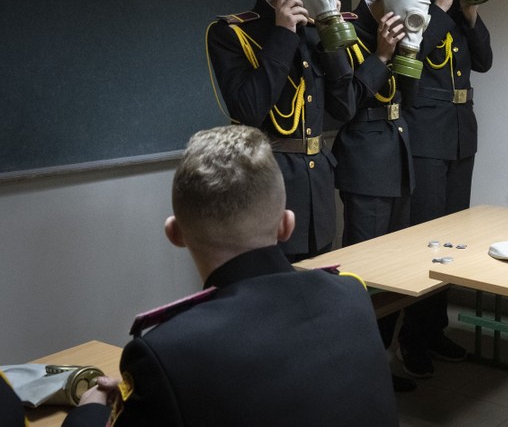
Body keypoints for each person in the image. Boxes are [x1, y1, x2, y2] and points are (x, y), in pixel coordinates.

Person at [62, 125, 398, 427]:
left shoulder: (168, 352)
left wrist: (91, 410)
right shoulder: (352, 295)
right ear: (286, 225)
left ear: (175, 234)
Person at [206, 0, 355, 262]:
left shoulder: (317, 32)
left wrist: (333, 36)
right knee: (273, 291)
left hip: (317, 184)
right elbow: (248, 109)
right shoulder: (234, 32)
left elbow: (345, 108)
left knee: (317, 286)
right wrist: (283, 34)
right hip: (268, 182)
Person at [397, 0, 493, 378]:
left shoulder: (460, 4)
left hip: (459, 134)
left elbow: (485, 61)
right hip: (426, 136)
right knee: (425, 243)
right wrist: (440, 7)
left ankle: (435, 329)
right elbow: (408, 65)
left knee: (452, 243)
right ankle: (412, 338)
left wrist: (469, 15)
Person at [332, 0, 429, 392]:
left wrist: (411, 49)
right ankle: (355, 373)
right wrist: (382, 55)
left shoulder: (405, 26)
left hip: (397, 156)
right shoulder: (345, 30)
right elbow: (343, 106)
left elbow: (410, 99)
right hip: (365, 164)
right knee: (363, 276)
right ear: (387, 1)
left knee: (395, 274)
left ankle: (380, 366)